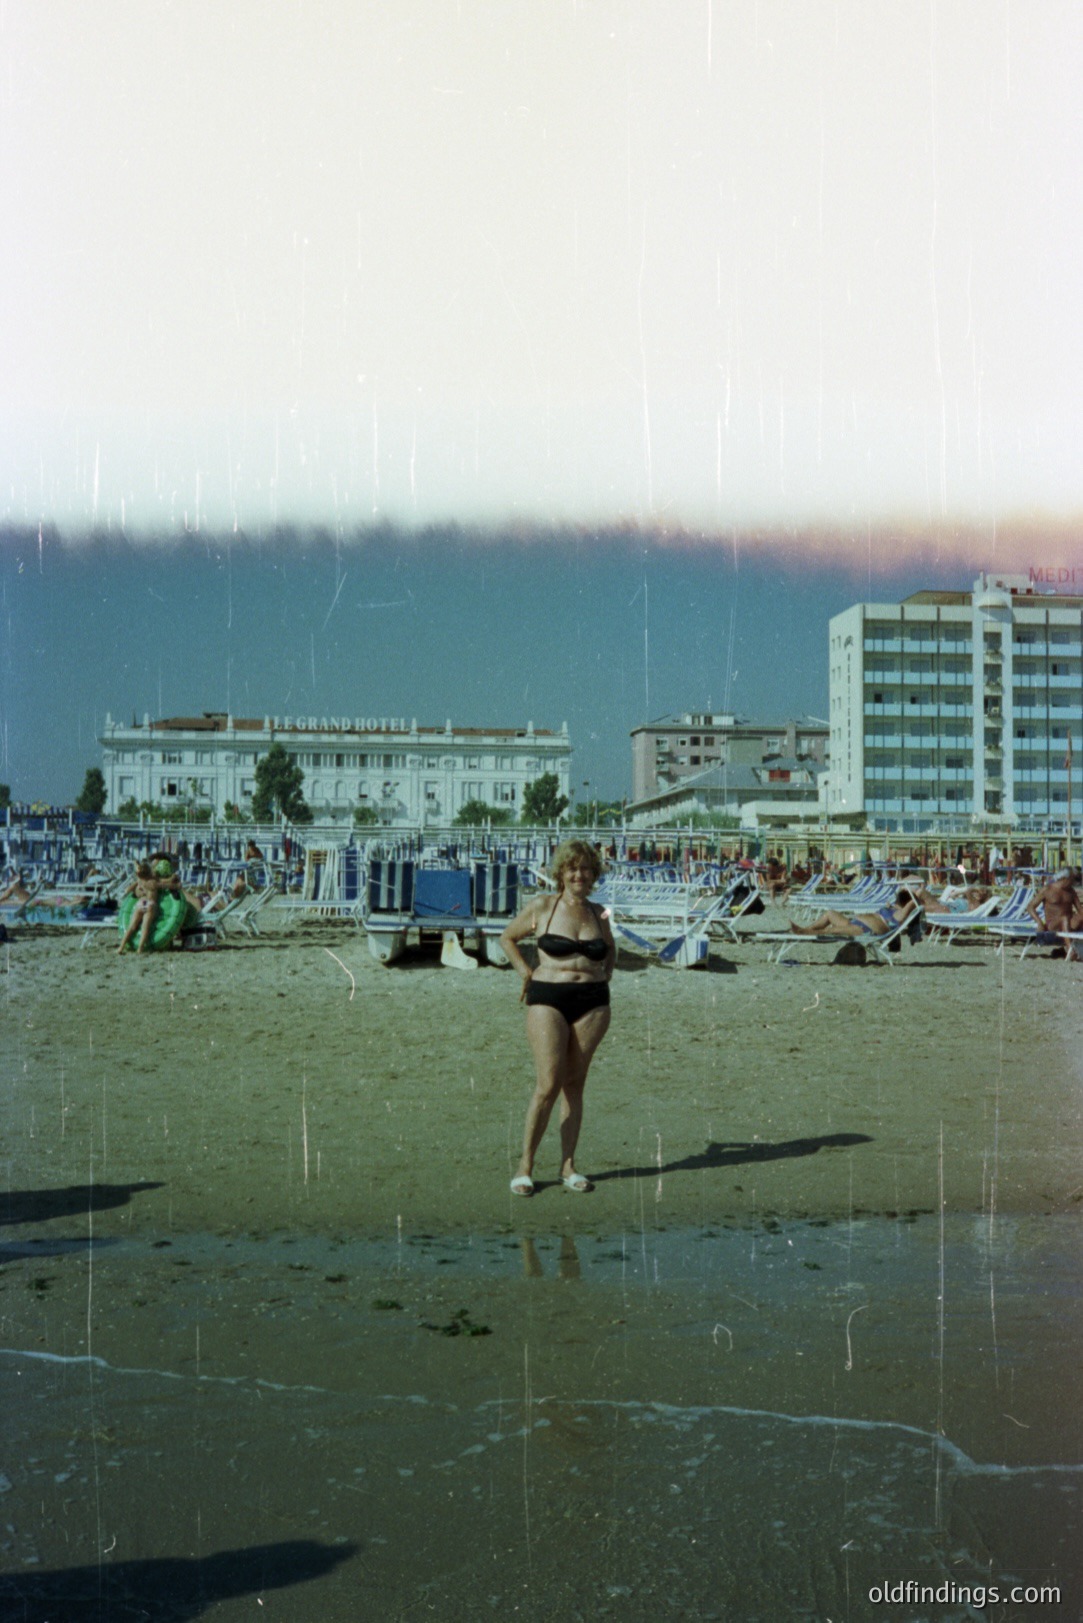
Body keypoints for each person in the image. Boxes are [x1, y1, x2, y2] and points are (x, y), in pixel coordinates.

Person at [499, 839, 615, 1197]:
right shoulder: (542, 906)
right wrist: (525, 972)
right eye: (572, 868)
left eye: (585, 868)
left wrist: (606, 973)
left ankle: (568, 1166)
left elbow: (610, 949)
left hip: (593, 1003)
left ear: (594, 873)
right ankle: (525, 1166)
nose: (579, 874)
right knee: (548, 1084)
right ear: (561, 873)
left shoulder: (600, 912)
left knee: (575, 1085)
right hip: (548, 997)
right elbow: (508, 938)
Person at [790, 887, 919, 938]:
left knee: (831, 930)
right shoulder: (891, 908)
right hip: (854, 923)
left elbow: (915, 901)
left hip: (866, 931)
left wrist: (910, 893)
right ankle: (805, 929)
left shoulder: (900, 914)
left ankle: (805, 932)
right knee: (829, 913)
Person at [117, 860, 172, 953]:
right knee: (145, 926)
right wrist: (174, 882)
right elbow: (167, 884)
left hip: (141, 903)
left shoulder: (139, 881)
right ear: (150, 872)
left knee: (131, 926)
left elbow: (128, 890)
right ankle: (140, 948)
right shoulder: (153, 882)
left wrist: (136, 890)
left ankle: (121, 947)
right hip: (150, 904)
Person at [1027, 870, 1083, 959]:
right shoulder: (1047, 889)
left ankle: (1073, 946)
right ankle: (1070, 950)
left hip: (1069, 923)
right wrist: (1039, 922)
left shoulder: (1071, 891)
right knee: (1064, 918)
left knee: (1080, 917)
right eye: (1072, 880)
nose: (1074, 882)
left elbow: (1080, 909)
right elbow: (1030, 907)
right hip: (1052, 925)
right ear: (1064, 879)